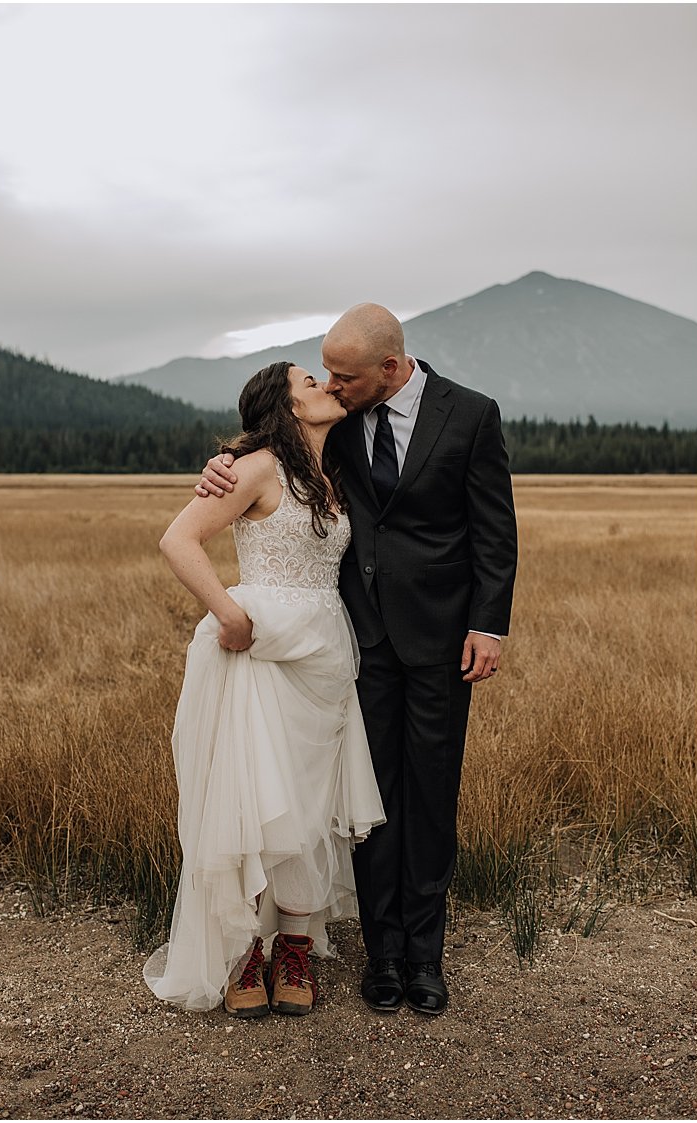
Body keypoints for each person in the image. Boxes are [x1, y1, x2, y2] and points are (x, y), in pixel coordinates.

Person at [196, 304, 518, 1015]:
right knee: (368, 806)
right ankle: (383, 954)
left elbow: (494, 528)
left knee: (432, 796)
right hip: (355, 644)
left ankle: (424, 958)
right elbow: (273, 451)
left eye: (345, 375)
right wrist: (223, 463)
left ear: (391, 369)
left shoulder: (471, 414)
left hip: (441, 642)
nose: (334, 386)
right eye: (326, 374)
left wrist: (487, 627)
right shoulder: (334, 425)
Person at [144, 361, 386, 1017]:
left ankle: (297, 946)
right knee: (257, 794)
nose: (326, 386)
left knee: (309, 798)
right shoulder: (254, 465)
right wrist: (228, 613)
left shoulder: (329, 467)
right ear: (285, 406)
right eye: (310, 381)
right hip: (261, 650)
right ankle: (247, 946)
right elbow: (179, 537)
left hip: (324, 653)